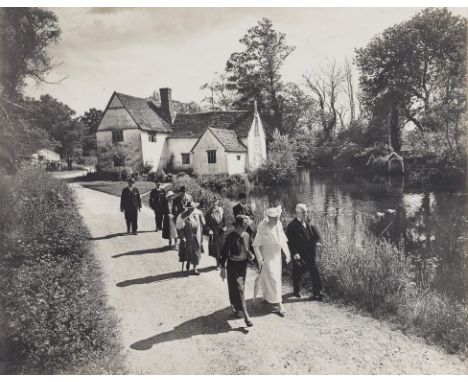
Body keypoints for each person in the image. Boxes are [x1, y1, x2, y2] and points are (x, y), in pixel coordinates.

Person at [252, 206, 291, 317]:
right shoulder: (262, 227)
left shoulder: (278, 224)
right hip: (267, 257)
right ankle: (279, 304)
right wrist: (260, 259)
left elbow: (283, 240)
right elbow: (256, 246)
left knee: (274, 278)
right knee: (273, 279)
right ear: (268, 217)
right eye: (273, 218)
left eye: (277, 217)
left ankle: (266, 296)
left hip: (277, 256)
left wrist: (287, 254)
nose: (276, 220)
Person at [220, 214, 254, 327]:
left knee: (239, 288)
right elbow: (224, 253)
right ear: (239, 225)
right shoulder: (230, 237)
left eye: (247, 224)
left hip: (243, 265)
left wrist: (251, 256)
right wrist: (222, 269)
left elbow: (249, 249)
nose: (246, 226)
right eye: (245, 224)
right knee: (238, 288)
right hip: (233, 265)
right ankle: (246, 315)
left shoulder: (247, 235)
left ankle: (235, 307)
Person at [286, 203, 324, 300]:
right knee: (298, 272)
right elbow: (289, 242)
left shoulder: (308, 222)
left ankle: (318, 293)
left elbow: (313, 235)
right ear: (297, 213)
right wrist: (294, 253)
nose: (306, 213)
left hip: (310, 253)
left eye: (306, 211)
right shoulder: (291, 226)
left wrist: (316, 243)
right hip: (299, 254)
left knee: (314, 272)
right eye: (304, 212)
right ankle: (296, 289)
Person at [176, 201, 202, 275]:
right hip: (187, 238)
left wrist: (199, 237)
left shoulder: (195, 215)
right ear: (188, 209)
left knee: (196, 253)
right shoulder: (182, 216)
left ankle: (194, 268)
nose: (192, 210)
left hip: (195, 237)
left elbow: (198, 227)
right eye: (191, 208)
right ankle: (187, 268)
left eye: (193, 208)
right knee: (188, 253)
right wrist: (183, 237)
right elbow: (179, 228)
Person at [205, 195, 227, 268]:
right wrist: (209, 230)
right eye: (213, 202)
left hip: (222, 233)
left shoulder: (221, 210)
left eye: (216, 201)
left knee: (223, 248)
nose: (214, 203)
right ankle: (218, 264)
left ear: (218, 202)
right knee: (216, 249)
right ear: (211, 202)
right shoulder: (208, 212)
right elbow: (206, 224)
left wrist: (225, 227)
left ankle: (222, 262)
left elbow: (224, 222)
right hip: (214, 233)